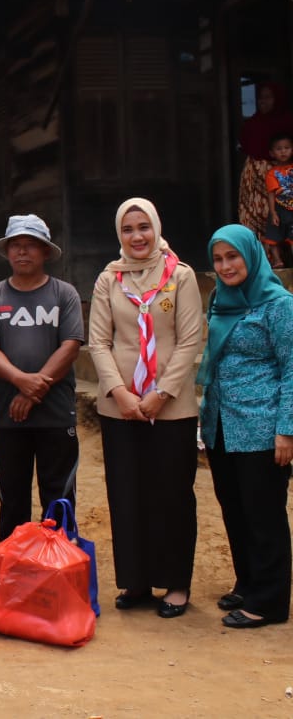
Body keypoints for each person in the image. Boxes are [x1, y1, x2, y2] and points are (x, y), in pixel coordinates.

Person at [86, 200, 203, 617]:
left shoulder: (181, 276)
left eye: (144, 228)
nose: (137, 237)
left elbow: (191, 341)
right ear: (119, 235)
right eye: (128, 229)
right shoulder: (109, 280)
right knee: (127, 492)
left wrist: (161, 394)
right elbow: (98, 341)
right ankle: (135, 580)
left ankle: (175, 583)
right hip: (120, 408)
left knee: (171, 494)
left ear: (156, 228)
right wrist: (120, 392)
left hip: (171, 408)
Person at [198, 224, 293, 628]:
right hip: (221, 422)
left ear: (251, 255)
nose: (225, 266)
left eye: (232, 256)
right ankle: (248, 582)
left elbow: (292, 368)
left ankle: (269, 601)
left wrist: (286, 430)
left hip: (261, 426)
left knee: (264, 513)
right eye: (218, 259)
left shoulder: (279, 305)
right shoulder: (222, 298)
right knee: (234, 508)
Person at [0, 214, 86, 543]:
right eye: (16, 246)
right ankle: (14, 569)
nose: (22, 252)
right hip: (9, 416)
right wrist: (22, 382)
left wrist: (33, 391)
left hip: (55, 413)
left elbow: (71, 346)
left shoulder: (63, 294)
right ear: (7, 252)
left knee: (59, 498)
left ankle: (59, 567)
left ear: (46, 252)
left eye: (30, 246)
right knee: (12, 500)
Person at [239, 82, 293, 240]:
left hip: (282, 178)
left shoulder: (287, 122)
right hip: (254, 179)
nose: (263, 101)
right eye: (261, 98)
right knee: (253, 217)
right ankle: (259, 256)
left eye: (268, 97)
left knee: (282, 217)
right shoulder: (252, 123)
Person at [262, 132, 293, 267]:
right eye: (279, 149)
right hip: (279, 209)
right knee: (273, 237)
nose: (283, 152)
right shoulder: (272, 173)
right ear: (272, 153)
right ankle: (277, 260)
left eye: (287, 148)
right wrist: (273, 212)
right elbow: (271, 194)